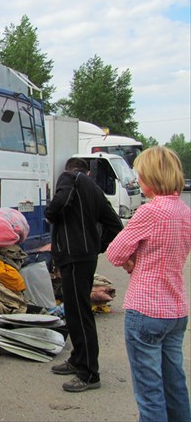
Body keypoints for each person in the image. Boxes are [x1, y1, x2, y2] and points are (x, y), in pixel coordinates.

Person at [106, 146, 191, 421]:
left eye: (140, 175)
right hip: (176, 310)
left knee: (150, 393)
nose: (138, 181)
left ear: (152, 179)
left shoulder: (149, 212)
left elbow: (115, 252)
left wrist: (132, 261)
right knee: (175, 384)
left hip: (146, 310)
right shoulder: (185, 211)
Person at [44, 157, 123, 392]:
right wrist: (97, 246)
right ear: (88, 172)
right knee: (75, 310)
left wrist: (50, 213)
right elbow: (115, 224)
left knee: (79, 313)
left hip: (74, 257)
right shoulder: (95, 190)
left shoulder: (69, 177)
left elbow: (59, 202)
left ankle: (89, 373)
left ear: (71, 169)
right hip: (85, 257)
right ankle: (78, 359)